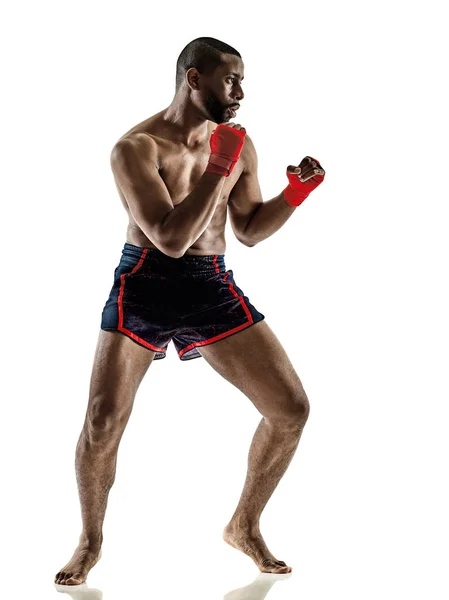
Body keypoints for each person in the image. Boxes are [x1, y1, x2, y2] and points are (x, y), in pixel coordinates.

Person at [54, 36, 325, 586]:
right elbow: (171, 239)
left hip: (210, 285)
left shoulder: (239, 146)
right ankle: (90, 541)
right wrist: (215, 169)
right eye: (232, 81)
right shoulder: (136, 148)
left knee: (291, 409)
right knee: (103, 421)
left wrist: (292, 196)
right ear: (193, 79)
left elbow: (247, 230)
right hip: (145, 281)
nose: (242, 92)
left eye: (244, 80)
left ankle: (244, 524)